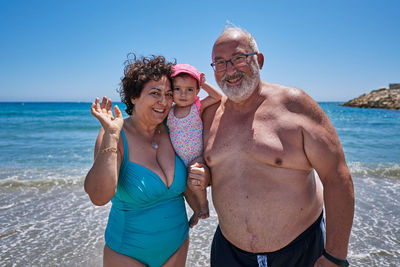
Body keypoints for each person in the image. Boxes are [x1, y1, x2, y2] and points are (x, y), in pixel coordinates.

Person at [188, 26, 354, 267]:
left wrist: (335, 257)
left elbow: (337, 177)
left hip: (300, 251)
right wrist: (202, 174)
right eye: (220, 63)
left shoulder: (295, 105)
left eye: (238, 59)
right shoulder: (209, 114)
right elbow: (223, 172)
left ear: (260, 60)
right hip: (229, 253)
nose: (230, 70)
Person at [84, 54, 204, 267]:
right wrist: (111, 135)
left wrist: (198, 204)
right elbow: (99, 196)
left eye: (169, 94)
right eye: (155, 93)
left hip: (177, 244)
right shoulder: (114, 135)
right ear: (134, 97)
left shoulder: (174, 128)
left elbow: (189, 169)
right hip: (128, 253)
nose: (164, 102)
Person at [167, 64, 222, 219]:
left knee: (194, 181)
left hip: (196, 156)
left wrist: (203, 83)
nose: (183, 94)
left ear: (197, 91)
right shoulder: (168, 111)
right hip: (178, 159)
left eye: (189, 89)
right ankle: (196, 211)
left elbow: (216, 97)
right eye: (177, 89)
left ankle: (204, 205)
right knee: (185, 188)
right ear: (171, 90)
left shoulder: (196, 107)